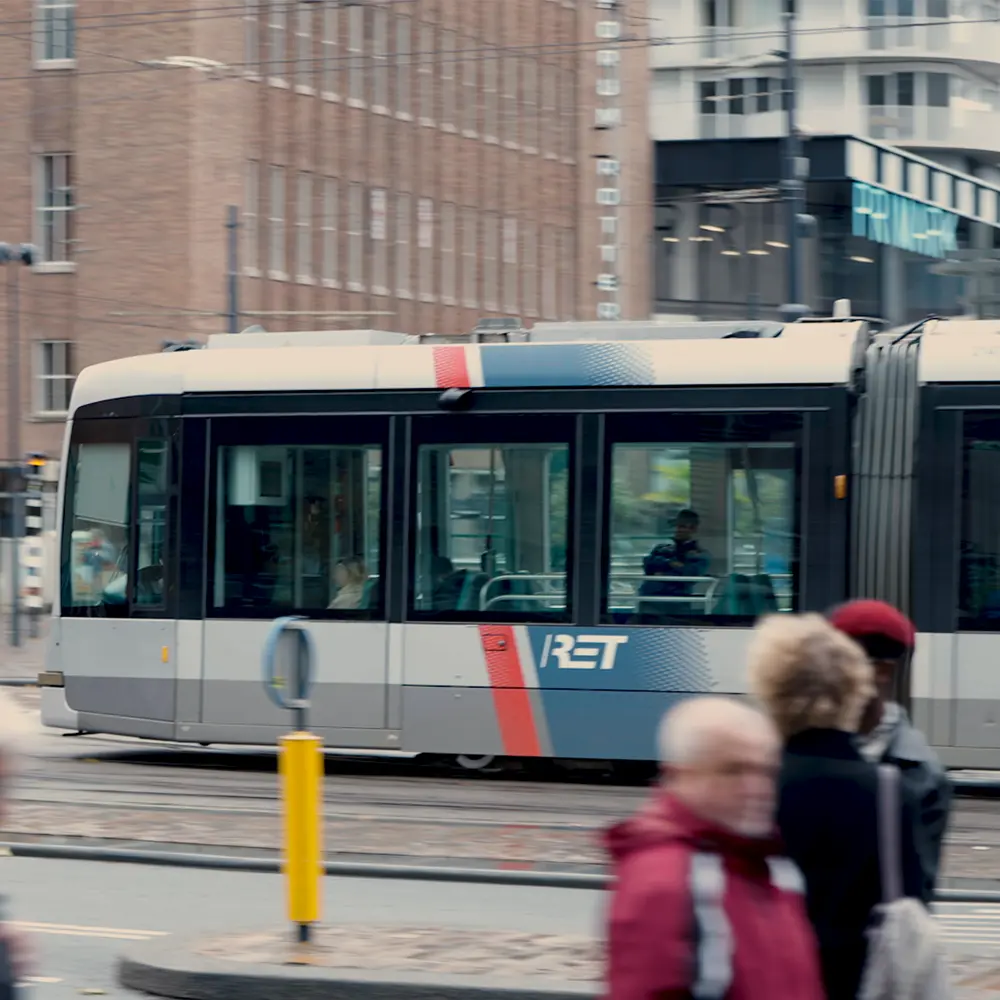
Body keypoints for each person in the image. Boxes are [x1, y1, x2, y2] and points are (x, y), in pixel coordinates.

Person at [748, 613, 927, 1000]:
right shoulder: (892, 793)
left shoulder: (749, 788)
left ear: (770, 690)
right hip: (856, 984)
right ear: (854, 691)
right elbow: (912, 908)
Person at [604, 697, 824, 1000]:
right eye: (732, 771)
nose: (755, 788)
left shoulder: (767, 863)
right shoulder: (666, 883)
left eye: (766, 771)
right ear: (679, 775)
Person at [828, 598, 953, 901]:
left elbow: (914, 893)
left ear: (882, 671)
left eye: (833, 660)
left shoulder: (920, 773)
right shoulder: (802, 746)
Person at [638, 509, 711, 618]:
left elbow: (689, 574)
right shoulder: (661, 548)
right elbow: (648, 564)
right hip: (649, 599)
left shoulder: (700, 554)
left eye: (682, 526)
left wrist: (662, 573)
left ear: (693, 529)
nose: (678, 530)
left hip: (676, 602)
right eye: (676, 526)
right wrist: (671, 563)